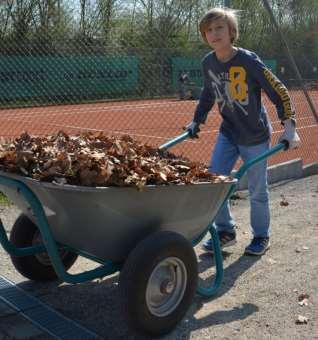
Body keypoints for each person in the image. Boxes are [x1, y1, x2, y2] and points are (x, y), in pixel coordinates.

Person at [184, 7, 300, 255]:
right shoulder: (208, 62)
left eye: (219, 28)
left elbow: (277, 89)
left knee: (258, 189)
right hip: (229, 132)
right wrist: (197, 120)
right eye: (209, 30)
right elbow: (208, 93)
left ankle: (261, 236)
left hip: (255, 135)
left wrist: (289, 127)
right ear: (205, 36)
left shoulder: (247, 59)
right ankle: (226, 232)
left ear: (231, 32)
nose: (214, 34)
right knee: (216, 180)